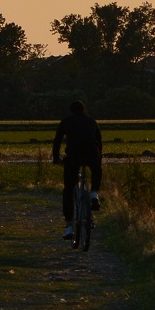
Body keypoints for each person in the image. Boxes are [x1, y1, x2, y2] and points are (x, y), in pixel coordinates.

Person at [52, 99, 103, 238]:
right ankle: (93, 193)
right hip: (91, 155)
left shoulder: (66, 121)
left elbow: (57, 141)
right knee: (97, 170)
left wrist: (56, 158)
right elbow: (99, 141)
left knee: (68, 189)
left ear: (71, 111)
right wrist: (99, 157)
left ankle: (69, 226)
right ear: (83, 110)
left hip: (73, 157)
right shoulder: (92, 121)